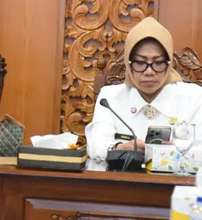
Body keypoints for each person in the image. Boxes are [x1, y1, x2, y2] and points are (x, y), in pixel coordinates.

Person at [86, 17, 202, 165]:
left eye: (158, 62)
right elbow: (96, 145)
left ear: (169, 64)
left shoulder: (194, 97)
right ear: (128, 63)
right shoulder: (109, 98)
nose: (149, 72)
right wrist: (118, 148)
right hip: (124, 177)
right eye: (140, 62)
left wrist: (174, 150)